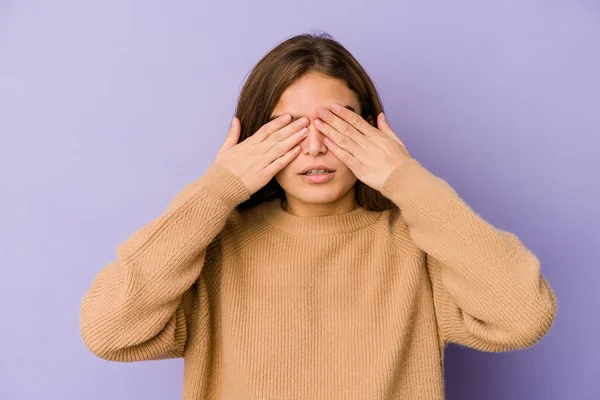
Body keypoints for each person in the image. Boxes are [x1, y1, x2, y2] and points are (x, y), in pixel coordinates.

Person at [79, 32, 557, 399]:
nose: (313, 148)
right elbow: (108, 330)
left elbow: (523, 316)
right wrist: (217, 188)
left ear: (372, 131)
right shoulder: (212, 248)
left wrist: (406, 179)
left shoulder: (419, 244)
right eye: (287, 129)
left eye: (336, 125)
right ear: (253, 138)